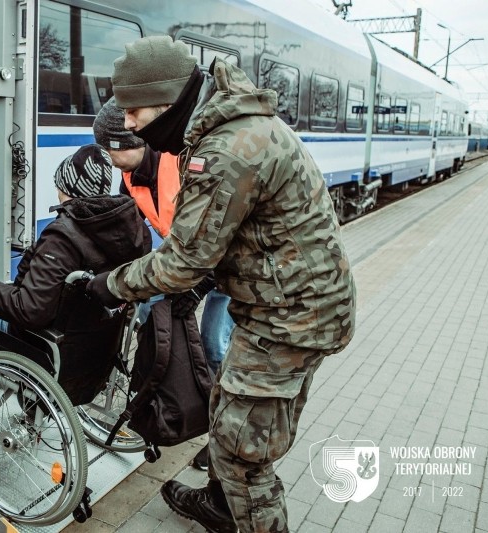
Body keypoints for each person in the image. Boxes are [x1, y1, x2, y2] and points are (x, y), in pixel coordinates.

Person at [87, 36, 356, 533]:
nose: (126, 126)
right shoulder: (229, 124)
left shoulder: (223, 151)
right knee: (230, 409)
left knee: (244, 456)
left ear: (166, 100)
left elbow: (181, 262)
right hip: (289, 303)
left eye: (133, 113)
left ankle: (242, 510)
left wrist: (107, 285)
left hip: (289, 318)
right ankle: (219, 502)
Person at [93, 97, 235, 470]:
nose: (105, 156)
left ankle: (224, 442)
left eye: (108, 148)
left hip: (228, 270)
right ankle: (164, 401)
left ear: (127, 144)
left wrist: (199, 286)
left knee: (214, 346)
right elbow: (131, 234)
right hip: (188, 265)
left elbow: (224, 233)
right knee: (150, 319)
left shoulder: (185, 166)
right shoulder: (129, 177)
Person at [0, 144, 150, 403]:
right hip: (93, 358)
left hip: (50, 352)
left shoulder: (64, 237)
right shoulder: (127, 232)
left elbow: (31, 310)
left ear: (67, 187)